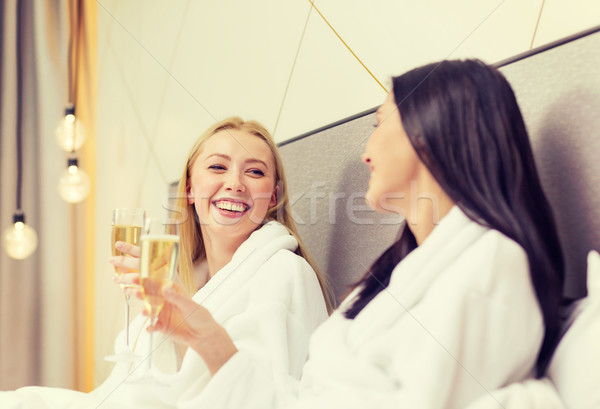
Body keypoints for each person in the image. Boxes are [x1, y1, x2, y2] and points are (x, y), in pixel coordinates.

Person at [148, 59, 566, 409]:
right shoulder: (402, 274)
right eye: (216, 168)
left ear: (432, 132)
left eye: (380, 123)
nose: (367, 150)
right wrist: (204, 335)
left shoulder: (492, 268)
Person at [0, 117, 331, 409]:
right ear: (189, 188)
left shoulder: (286, 272)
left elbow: (269, 398)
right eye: (218, 166)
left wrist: (189, 325)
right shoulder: (183, 281)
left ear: (272, 197)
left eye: (255, 172)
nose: (234, 183)